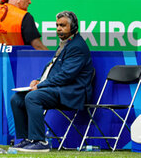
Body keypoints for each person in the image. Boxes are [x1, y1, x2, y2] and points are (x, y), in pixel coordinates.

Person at [10, 11, 94, 152]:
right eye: (57, 25)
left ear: (73, 27)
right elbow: (54, 69)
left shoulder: (77, 46)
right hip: (58, 89)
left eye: (63, 25)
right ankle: (27, 139)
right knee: (16, 99)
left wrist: (41, 85)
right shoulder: (66, 43)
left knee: (32, 97)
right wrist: (38, 80)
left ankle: (40, 142)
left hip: (71, 92)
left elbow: (66, 76)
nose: (59, 29)